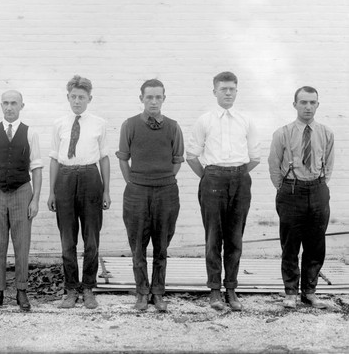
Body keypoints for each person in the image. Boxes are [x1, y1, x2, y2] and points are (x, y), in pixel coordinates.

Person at [186, 71, 260, 311]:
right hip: (213, 179)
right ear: (215, 91)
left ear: (236, 91)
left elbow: (255, 157)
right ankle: (215, 290)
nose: (228, 93)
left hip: (240, 178)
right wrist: (210, 176)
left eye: (232, 89)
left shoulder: (246, 120)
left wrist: (236, 173)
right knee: (213, 237)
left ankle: (231, 288)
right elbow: (192, 156)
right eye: (223, 89)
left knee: (235, 237)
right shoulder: (205, 120)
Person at [116, 79, 184, 312]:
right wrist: (134, 182)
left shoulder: (174, 126)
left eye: (158, 97)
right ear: (141, 99)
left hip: (166, 192)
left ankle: (158, 293)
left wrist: (162, 179)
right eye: (149, 97)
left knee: (162, 245)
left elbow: (176, 161)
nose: (153, 101)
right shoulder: (130, 125)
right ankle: (142, 293)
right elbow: (123, 158)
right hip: (137, 192)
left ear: (164, 98)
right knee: (138, 245)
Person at [47, 75, 111, 309]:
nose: (77, 101)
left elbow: (104, 158)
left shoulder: (99, 123)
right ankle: (71, 288)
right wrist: (52, 192)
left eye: (81, 97)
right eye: (73, 97)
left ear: (89, 98)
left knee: (91, 237)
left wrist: (106, 191)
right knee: (67, 239)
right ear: (68, 97)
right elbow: (54, 158)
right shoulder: (59, 124)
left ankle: (88, 288)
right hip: (65, 177)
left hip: (90, 177)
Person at [268, 86, 334, 309]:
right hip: (291, 192)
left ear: (317, 105)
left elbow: (330, 165)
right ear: (294, 104)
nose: (308, 107)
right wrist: (285, 187)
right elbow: (274, 165)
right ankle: (290, 292)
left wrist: (318, 185)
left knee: (316, 244)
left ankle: (309, 292)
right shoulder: (283, 133)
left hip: (317, 190)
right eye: (303, 102)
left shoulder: (326, 133)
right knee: (290, 244)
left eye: (312, 102)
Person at [0, 90, 43, 312]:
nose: (9, 107)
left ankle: (21, 291)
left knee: (22, 244)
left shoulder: (30, 133)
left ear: (21, 106)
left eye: (13, 103)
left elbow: (36, 168)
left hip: (22, 191)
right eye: (5, 103)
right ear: (0, 105)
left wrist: (35, 200)